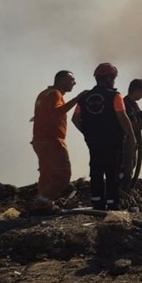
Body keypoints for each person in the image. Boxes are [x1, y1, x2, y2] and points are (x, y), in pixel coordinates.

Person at [72, 62, 136, 211]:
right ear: (110, 78)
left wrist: (88, 133)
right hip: (113, 141)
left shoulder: (84, 97)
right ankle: (113, 203)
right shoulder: (114, 96)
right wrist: (131, 137)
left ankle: (97, 202)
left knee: (96, 170)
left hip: (93, 142)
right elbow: (123, 117)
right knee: (113, 171)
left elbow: (75, 119)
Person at [30, 70, 88, 213]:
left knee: (47, 175)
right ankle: (41, 204)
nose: (74, 83)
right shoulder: (55, 94)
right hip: (52, 141)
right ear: (61, 80)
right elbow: (56, 112)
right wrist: (77, 99)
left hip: (40, 140)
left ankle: (44, 206)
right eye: (71, 80)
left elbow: (43, 115)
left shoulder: (44, 94)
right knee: (62, 176)